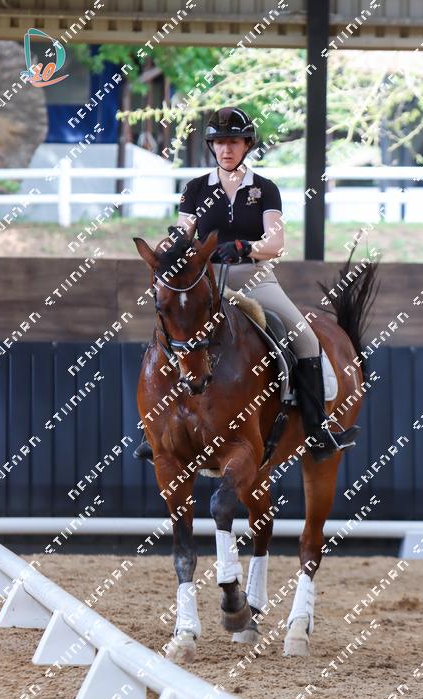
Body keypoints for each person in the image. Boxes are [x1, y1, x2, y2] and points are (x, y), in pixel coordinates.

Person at [134, 106, 355, 463]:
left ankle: (317, 429)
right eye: (220, 142)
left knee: (305, 339)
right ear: (212, 146)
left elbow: (276, 242)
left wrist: (245, 247)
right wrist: (172, 245)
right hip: (206, 282)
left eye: (234, 142)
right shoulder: (195, 189)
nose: (226, 149)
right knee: (170, 334)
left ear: (247, 144)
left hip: (254, 278)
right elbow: (185, 232)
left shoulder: (264, 189)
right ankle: (154, 431)